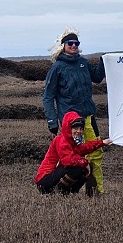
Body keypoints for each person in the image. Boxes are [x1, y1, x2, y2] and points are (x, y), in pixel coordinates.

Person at [42, 28, 108, 194]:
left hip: (88, 116)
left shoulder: (83, 63)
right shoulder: (57, 67)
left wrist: (104, 61)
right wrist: (52, 120)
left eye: (76, 43)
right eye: (70, 43)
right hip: (70, 121)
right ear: (63, 45)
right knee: (71, 157)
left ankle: (96, 191)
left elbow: (98, 78)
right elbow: (48, 96)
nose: (73, 46)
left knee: (95, 152)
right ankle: (59, 188)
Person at [35, 111, 112, 195]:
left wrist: (102, 142)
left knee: (83, 168)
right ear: (69, 128)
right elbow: (68, 160)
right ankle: (60, 192)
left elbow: (84, 148)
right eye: (75, 128)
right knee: (77, 169)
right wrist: (85, 162)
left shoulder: (73, 141)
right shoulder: (61, 140)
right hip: (44, 181)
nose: (79, 131)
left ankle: (71, 192)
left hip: (52, 177)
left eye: (81, 128)